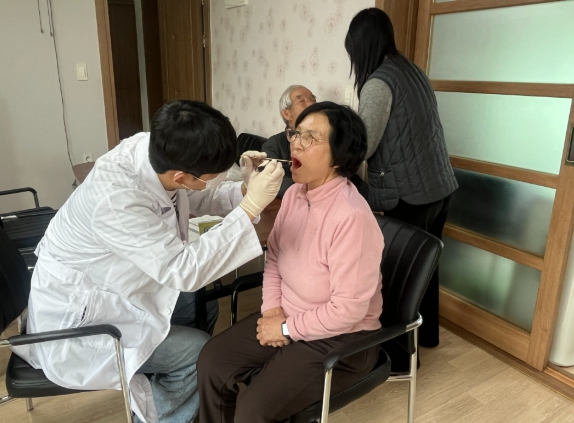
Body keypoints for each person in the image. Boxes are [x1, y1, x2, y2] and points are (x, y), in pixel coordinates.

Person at [12, 100, 284, 423]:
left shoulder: (155, 151)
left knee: (205, 306)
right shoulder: (117, 199)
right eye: (211, 177)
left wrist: (245, 188)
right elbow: (184, 270)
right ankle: (165, 412)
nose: (211, 182)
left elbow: (197, 195)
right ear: (181, 176)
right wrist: (251, 207)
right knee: (198, 350)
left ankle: (184, 389)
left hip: (115, 283)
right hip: (79, 321)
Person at [198, 102, 384, 423]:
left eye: (309, 137)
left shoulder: (352, 218)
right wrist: (272, 310)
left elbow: (348, 311)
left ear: (339, 156)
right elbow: (275, 256)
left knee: (252, 410)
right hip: (288, 316)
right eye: (295, 134)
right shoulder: (295, 194)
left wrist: (285, 328)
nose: (295, 144)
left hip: (340, 339)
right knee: (213, 360)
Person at [345, 8, 458, 349]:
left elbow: (365, 145)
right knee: (426, 268)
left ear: (361, 46)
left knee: (398, 275)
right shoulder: (412, 71)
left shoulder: (379, 83)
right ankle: (428, 338)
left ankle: (398, 356)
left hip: (409, 195)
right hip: (439, 187)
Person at [261, 85, 316, 198]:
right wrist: (313, 189)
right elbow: (272, 181)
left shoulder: (323, 141)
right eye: (302, 101)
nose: (312, 105)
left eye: (313, 100)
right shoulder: (273, 145)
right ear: (287, 114)